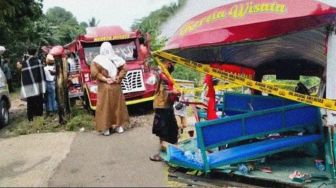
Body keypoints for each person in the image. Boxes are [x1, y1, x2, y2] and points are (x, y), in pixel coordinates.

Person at [91, 42, 129, 136]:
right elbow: (125, 68)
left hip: (105, 87)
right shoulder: (117, 58)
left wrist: (105, 79)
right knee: (118, 105)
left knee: (104, 107)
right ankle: (119, 127)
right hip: (116, 85)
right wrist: (118, 77)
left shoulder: (97, 60)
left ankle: (106, 129)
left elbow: (94, 73)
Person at [150, 61, 180, 162]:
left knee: (172, 129)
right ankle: (163, 153)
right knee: (163, 131)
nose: (173, 66)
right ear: (166, 63)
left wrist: (176, 93)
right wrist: (174, 92)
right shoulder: (161, 74)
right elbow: (165, 90)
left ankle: (173, 151)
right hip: (162, 105)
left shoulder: (167, 75)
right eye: (171, 63)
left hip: (167, 105)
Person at [17, 46, 46, 121]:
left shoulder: (25, 63)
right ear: (36, 52)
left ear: (28, 53)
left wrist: (22, 59)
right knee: (39, 100)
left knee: (30, 102)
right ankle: (39, 115)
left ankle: (30, 118)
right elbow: (42, 74)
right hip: (38, 85)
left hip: (29, 86)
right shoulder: (39, 61)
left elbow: (18, 67)